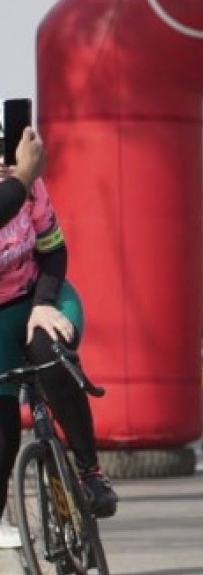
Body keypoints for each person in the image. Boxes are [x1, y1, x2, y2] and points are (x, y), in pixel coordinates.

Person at [0, 125, 117, 526]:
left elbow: (54, 250)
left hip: (40, 296)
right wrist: (20, 177)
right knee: (3, 429)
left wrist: (43, 304)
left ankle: (89, 473)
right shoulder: (19, 182)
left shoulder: (28, 185)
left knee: (50, 356)